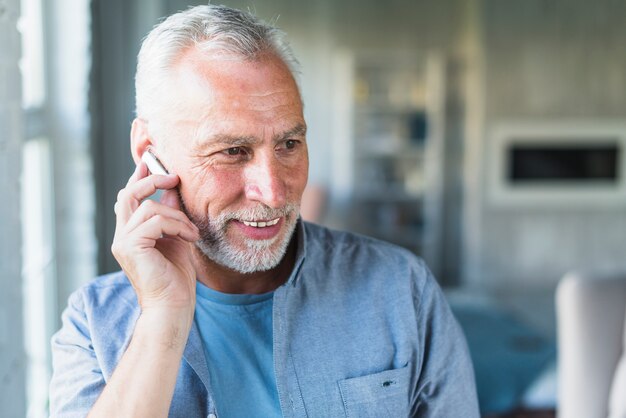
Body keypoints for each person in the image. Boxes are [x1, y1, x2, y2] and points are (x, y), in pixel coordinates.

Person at [50, 5, 479, 417]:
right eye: (233, 151)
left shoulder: (401, 289)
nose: (273, 193)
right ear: (150, 152)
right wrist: (163, 317)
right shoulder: (93, 325)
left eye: (289, 145)